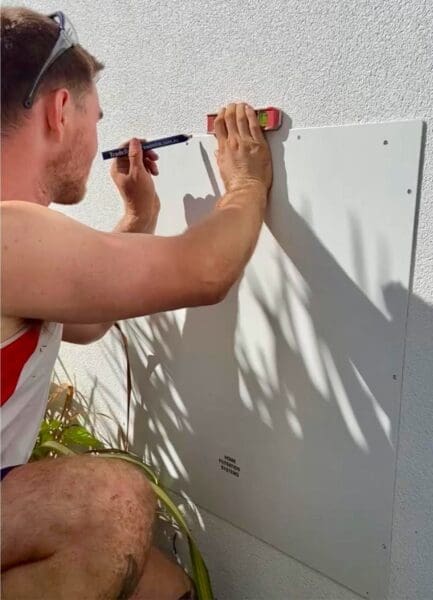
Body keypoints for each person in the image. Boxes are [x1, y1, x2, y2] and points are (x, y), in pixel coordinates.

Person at [0, 7, 272, 600]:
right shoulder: (8, 235)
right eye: (97, 116)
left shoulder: (19, 248)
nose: (99, 134)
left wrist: (138, 216)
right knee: (111, 503)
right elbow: (206, 272)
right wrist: (248, 185)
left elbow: (88, 320)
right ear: (60, 110)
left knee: (160, 584)